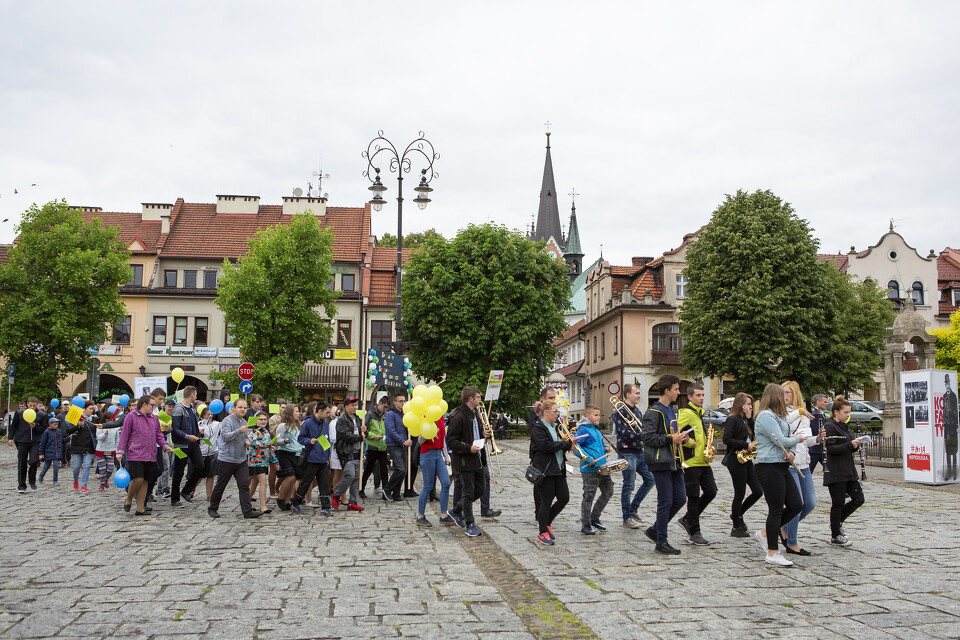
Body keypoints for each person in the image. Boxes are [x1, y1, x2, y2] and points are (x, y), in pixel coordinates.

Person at [753, 383, 804, 567]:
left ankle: (766, 532)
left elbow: (787, 442)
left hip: (782, 464)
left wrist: (792, 451)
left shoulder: (780, 417)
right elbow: (780, 440)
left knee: (796, 504)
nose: (785, 399)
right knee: (775, 508)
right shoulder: (766, 416)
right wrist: (797, 440)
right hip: (768, 466)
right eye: (782, 395)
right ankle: (772, 552)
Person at [640, 374, 691, 555]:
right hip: (660, 461)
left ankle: (655, 529)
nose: (679, 392)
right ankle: (661, 541)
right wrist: (671, 438)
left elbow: (673, 434)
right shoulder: (653, 412)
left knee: (680, 499)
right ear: (667, 391)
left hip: (674, 460)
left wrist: (682, 438)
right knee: (666, 501)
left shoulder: (673, 410)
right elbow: (647, 437)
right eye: (676, 389)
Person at [117, 396, 172, 516]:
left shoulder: (154, 418)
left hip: (150, 453)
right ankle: (129, 499)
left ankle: (140, 508)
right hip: (135, 453)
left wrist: (164, 446)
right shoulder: (131, 416)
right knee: (138, 478)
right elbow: (124, 435)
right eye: (152, 405)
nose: (154, 407)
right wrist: (120, 451)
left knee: (145, 481)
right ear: (144, 404)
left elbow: (158, 435)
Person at [823, 395, 866, 547]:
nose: (848, 415)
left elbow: (848, 446)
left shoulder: (845, 426)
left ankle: (837, 522)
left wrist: (856, 446)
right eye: (845, 412)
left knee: (858, 498)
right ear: (836, 412)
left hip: (848, 470)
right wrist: (849, 445)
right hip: (836, 471)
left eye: (849, 412)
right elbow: (831, 449)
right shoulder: (830, 426)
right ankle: (835, 535)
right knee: (838, 502)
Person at [446, 386, 489, 538]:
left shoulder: (474, 413)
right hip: (464, 460)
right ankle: (469, 523)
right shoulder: (458, 416)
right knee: (468, 491)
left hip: (476, 458)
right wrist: (467, 448)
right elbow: (451, 440)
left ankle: (456, 510)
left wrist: (483, 434)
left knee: (481, 489)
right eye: (478, 397)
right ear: (470, 398)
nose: (480, 400)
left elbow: (473, 432)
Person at [207, 399, 261, 519]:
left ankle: (247, 511)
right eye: (240, 407)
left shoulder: (244, 422)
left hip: (241, 459)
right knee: (221, 485)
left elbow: (245, 437)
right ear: (234, 408)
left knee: (244, 485)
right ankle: (212, 508)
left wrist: (247, 442)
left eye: (244, 407)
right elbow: (225, 437)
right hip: (227, 459)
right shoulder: (228, 420)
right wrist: (238, 431)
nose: (242, 409)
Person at [611, 384, 655, 530]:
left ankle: (633, 508)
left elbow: (640, 428)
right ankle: (626, 517)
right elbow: (623, 433)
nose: (639, 396)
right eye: (636, 393)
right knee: (628, 485)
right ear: (628, 394)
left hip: (639, 451)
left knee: (650, 479)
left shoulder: (638, 411)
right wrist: (641, 436)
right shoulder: (619, 411)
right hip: (626, 451)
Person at [781, 381, 817, 556]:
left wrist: (817, 439)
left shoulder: (803, 415)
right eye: (782, 392)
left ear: (795, 394)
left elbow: (806, 439)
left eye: (787, 392)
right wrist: (799, 412)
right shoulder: (780, 413)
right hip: (789, 464)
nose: (784, 395)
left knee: (810, 503)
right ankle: (792, 542)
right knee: (797, 504)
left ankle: (783, 527)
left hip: (804, 462)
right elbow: (785, 426)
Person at [678, 383, 716, 546]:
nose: (701, 398)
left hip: (704, 461)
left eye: (703, 395)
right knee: (693, 497)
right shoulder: (686, 413)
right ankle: (695, 532)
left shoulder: (700, 413)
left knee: (711, 491)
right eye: (698, 395)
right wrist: (689, 443)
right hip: (691, 461)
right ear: (690, 397)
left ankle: (687, 518)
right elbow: (675, 431)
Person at [529, 399, 571, 545]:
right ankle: (542, 532)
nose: (557, 414)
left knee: (564, 497)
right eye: (555, 411)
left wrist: (568, 443)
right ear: (546, 412)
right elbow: (544, 445)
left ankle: (547, 522)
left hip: (558, 468)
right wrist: (562, 444)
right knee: (546, 501)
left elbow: (559, 443)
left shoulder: (556, 426)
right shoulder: (538, 427)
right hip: (545, 469)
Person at [721, 393, 762, 537]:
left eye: (751, 404)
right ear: (741, 405)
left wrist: (750, 418)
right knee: (740, 492)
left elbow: (756, 434)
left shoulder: (746, 420)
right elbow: (727, 439)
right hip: (736, 459)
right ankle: (736, 527)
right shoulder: (732, 419)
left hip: (747, 459)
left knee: (758, 490)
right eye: (748, 404)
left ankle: (737, 514)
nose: (751, 407)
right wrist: (745, 445)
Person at [574, 404, 613, 535]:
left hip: (602, 467)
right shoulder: (583, 430)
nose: (598, 417)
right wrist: (587, 458)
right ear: (587, 416)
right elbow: (575, 447)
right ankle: (585, 524)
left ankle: (594, 517)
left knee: (608, 491)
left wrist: (606, 447)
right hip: (590, 469)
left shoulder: (596, 430)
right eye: (595, 415)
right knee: (589, 496)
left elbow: (599, 444)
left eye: (599, 415)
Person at [291, 402, 334, 516]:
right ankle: (295, 503)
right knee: (306, 482)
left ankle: (325, 507)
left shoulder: (325, 424)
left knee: (324, 484)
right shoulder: (308, 423)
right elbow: (301, 438)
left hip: (323, 459)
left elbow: (327, 440)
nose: (328, 415)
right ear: (319, 411)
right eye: (326, 412)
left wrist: (327, 455)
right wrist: (309, 441)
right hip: (311, 458)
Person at [416, 415, 455, 527]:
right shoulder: (424, 417)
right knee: (428, 486)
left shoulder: (441, 417)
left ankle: (443, 515)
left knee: (446, 483)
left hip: (438, 454)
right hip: (427, 454)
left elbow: (442, 439)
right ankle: (420, 516)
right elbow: (420, 440)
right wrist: (429, 432)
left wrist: (446, 456)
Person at [170, 386, 204, 508]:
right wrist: (187, 436)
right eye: (195, 395)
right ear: (192, 395)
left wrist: (199, 432)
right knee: (178, 471)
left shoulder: (193, 409)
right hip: (181, 445)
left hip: (194, 443)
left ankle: (186, 491)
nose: (196, 397)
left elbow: (192, 424)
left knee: (200, 466)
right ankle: (174, 499)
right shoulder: (179, 409)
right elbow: (175, 429)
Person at [528, 386, 557, 520]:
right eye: (550, 398)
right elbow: (534, 432)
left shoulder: (555, 411)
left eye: (554, 398)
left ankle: (545, 511)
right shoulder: (534, 414)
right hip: (539, 454)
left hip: (553, 455)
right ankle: (539, 511)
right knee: (539, 482)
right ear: (542, 399)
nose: (553, 400)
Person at [8, 396, 47, 493]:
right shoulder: (19, 413)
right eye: (30, 405)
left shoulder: (42, 415)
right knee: (22, 463)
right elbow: (13, 426)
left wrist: (35, 426)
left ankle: (32, 481)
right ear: (27, 404)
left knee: (33, 461)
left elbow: (44, 428)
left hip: (35, 441)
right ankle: (21, 485)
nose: (32, 407)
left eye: (34, 406)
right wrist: (10, 438)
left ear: (37, 405)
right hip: (22, 440)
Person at [334, 397, 365, 512]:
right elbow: (346, 435)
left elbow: (362, 431)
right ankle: (337, 494)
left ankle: (353, 501)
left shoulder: (357, 419)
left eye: (355, 405)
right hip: (346, 452)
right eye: (352, 405)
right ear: (346, 406)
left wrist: (364, 430)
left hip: (357, 451)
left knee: (356, 478)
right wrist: (359, 437)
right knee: (349, 475)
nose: (354, 407)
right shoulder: (342, 420)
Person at [274, 404, 303, 511]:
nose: (298, 413)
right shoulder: (282, 426)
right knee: (289, 477)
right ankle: (281, 498)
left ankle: (287, 501)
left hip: (296, 454)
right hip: (285, 454)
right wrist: (284, 441)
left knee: (294, 478)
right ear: (290, 413)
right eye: (296, 411)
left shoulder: (297, 426)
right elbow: (277, 440)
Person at [360, 396, 390, 499]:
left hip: (382, 446)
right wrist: (373, 436)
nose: (385, 409)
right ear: (380, 403)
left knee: (384, 470)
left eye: (387, 408)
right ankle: (361, 489)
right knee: (368, 468)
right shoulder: (370, 414)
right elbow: (364, 429)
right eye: (384, 407)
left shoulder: (385, 415)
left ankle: (385, 492)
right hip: (372, 446)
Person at [384, 393, 412, 502]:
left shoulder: (404, 414)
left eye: (404, 401)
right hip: (394, 444)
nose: (403, 403)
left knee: (404, 470)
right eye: (400, 401)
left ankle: (396, 493)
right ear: (395, 402)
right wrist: (402, 441)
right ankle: (387, 489)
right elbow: (391, 431)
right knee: (400, 469)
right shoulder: (390, 414)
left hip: (403, 444)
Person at [66, 401, 99, 494]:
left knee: (87, 466)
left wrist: (97, 411)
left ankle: (84, 485)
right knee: (76, 467)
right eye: (90, 409)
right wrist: (77, 426)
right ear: (84, 409)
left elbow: (103, 421)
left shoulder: (94, 419)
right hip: (77, 446)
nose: (92, 411)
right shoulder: (76, 417)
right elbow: (68, 430)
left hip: (89, 447)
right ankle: (75, 480)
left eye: (93, 409)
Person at [246, 412, 273, 514]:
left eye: (265, 419)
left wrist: (271, 447)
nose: (263, 421)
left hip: (264, 460)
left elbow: (268, 444)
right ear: (256, 421)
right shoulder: (253, 432)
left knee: (254, 482)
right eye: (260, 419)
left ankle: (246, 502)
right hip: (255, 460)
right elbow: (254, 443)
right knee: (262, 482)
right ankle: (263, 506)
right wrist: (266, 444)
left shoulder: (266, 432)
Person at [95, 407, 124, 492]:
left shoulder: (115, 429)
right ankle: (102, 484)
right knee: (102, 469)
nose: (109, 422)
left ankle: (105, 479)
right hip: (101, 450)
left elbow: (117, 440)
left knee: (110, 469)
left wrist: (117, 450)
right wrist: (104, 434)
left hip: (111, 450)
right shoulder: (100, 427)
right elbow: (99, 438)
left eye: (110, 420)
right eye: (107, 420)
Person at [198, 407, 221, 500]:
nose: (210, 416)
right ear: (203, 415)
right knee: (199, 474)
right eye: (208, 414)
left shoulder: (216, 424)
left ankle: (209, 494)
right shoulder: (199, 424)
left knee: (211, 475)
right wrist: (201, 434)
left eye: (211, 414)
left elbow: (224, 424)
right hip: (202, 452)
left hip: (213, 451)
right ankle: (191, 490)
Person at [38, 415, 66, 485]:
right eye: (54, 424)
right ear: (50, 424)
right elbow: (43, 443)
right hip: (48, 452)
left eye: (57, 424)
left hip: (57, 453)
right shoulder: (46, 432)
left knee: (56, 466)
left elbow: (62, 440)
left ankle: (55, 480)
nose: (56, 426)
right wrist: (41, 453)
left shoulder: (59, 431)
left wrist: (69, 438)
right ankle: (41, 476)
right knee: (46, 466)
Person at [807, 394, 829, 474]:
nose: (827, 404)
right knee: (809, 470)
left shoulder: (821, 414)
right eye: (825, 402)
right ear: (818, 402)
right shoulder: (816, 415)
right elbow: (816, 430)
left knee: (829, 468)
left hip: (819, 448)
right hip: (815, 448)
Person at [943, 374, 958, 481]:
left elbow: (955, 411)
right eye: (946, 384)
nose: (947, 385)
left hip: (953, 426)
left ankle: (954, 473)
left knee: (954, 450)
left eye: (948, 383)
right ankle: (948, 472)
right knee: (948, 451)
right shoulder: (944, 396)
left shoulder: (953, 396)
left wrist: (956, 424)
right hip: (946, 426)